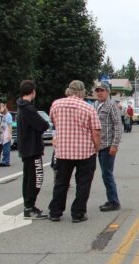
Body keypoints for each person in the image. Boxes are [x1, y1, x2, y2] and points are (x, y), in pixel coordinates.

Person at [48, 80, 102, 223]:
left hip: (63, 151)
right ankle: (78, 213)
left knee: (61, 183)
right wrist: (96, 148)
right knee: (83, 183)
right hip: (85, 152)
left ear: (69, 91)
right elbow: (96, 132)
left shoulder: (56, 104)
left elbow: (54, 122)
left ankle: (55, 211)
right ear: (82, 92)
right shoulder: (89, 108)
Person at [16, 80, 50, 218]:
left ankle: (28, 206)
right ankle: (29, 207)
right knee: (36, 178)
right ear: (33, 92)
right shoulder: (28, 108)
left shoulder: (21, 106)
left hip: (25, 147)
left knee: (29, 178)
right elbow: (43, 125)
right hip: (32, 148)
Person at [94, 82, 123, 212]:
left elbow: (117, 126)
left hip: (108, 145)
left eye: (102, 90)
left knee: (107, 174)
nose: (100, 93)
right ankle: (111, 199)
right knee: (105, 174)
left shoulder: (111, 105)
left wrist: (115, 145)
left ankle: (113, 201)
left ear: (108, 92)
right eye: (98, 90)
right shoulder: (96, 105)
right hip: (99, 145)